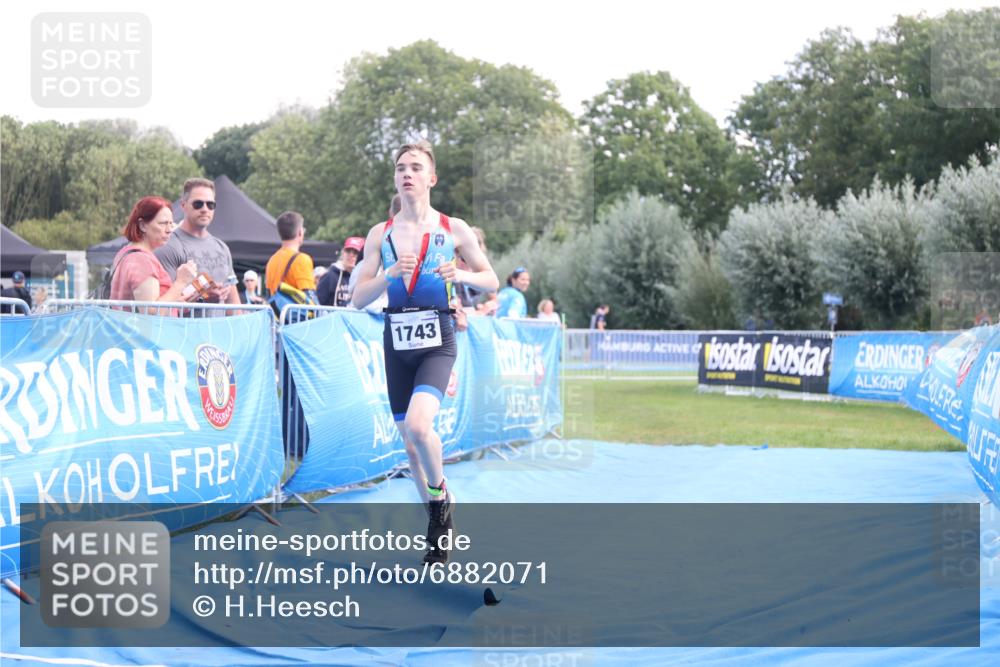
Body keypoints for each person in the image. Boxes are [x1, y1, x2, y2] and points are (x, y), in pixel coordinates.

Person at [352, 140, 498, 564]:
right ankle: (435, 521)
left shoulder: (455, 229)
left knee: (419, 426)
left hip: (437, 336)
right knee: (410, 446)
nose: (407, 174)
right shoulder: (381, 234)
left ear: (431, 178)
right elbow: (358, 297)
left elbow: (492, 279)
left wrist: (466, 273)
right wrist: (388, 275)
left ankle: (441, 501)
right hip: (396, 340)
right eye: (400, 168)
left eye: (416, 167)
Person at [155, 178, 239, 316]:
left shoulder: (222, 248)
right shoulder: (168, 245)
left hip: (218, 334)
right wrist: (203, 297)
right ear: (183, 205)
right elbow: (163, 303)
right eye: (198, 204)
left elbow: (233, 302)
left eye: (210, 204)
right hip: (184, 333)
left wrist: (239, 333)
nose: (205, 209)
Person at [109, 196, 197, 315]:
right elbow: (151, 312)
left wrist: (175, 301)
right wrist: (181, 282)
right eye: (163, 223)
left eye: (171, 224)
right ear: (142, 225)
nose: (169, 229)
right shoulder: (141, 260)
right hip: (146, 333)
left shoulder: (127, 253)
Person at [317, 236, 364, 307]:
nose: (351, 255)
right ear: (343, 253)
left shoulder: (364, 278)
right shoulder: (329, 276)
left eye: (355, 252)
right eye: (348, 251)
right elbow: (317, 303)